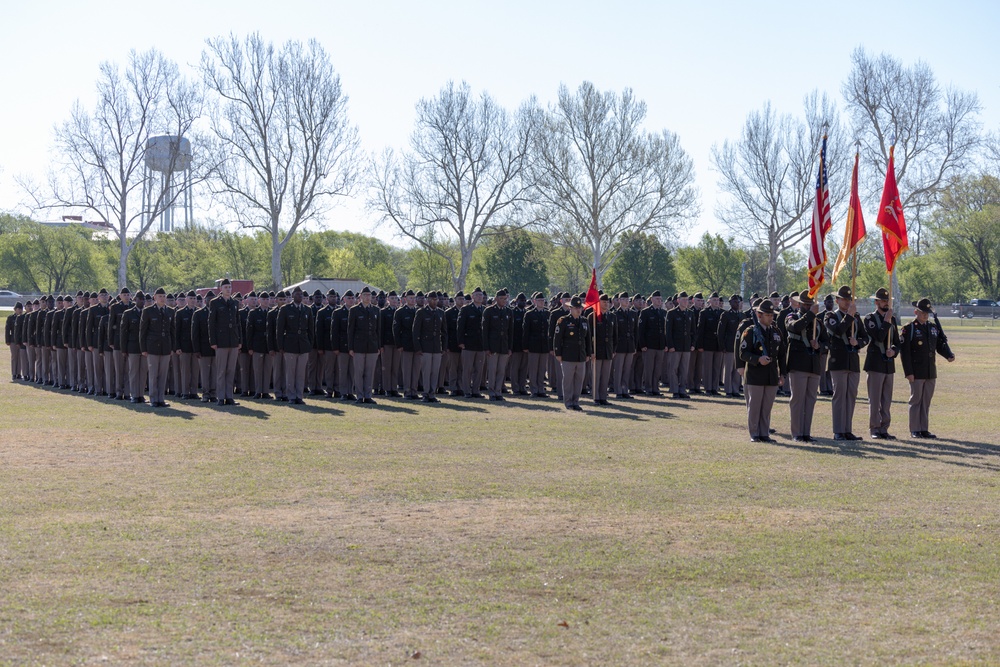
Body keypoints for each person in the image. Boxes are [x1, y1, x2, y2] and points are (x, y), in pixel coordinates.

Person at [900, 298, 956, 439]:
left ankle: (923, 428)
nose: (925, 315)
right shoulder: (909, 328)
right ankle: (914, 429)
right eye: (922, 312)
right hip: (916, 371)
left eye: (927, 313)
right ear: (916, 312)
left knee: (926, 401)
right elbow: (905, 353)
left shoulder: (932, 327)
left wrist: (948, 355)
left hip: (930, 370)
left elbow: (938, 346)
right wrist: (909, 372)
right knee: (916, 400)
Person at [824, 286, 869, 441]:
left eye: (849, 299)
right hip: (838, 361)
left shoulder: (856, 317)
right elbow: (837, 331)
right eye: (844, 299)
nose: (847, 302)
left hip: (853, 362)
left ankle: (847, 429)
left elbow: (865, 337)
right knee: (839, 396)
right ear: (837, 300)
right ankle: (838, 430)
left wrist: (858, 343)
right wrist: (849, 316)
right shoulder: (831, 315)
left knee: (851, 396)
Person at [738, 299, 786, 442]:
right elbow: (743, 353)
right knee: (755, 407)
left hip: (771, 375)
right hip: (755, 375)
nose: (771, 318)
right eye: (768, 315)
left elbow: (782, 354)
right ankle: (754, 433)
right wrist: (758, 359)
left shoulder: (776, 331)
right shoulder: (750, 331)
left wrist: (782, 373)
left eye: (772, 315)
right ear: (759, 315)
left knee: (766, 407)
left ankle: (764, 433)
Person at [784, 292, 827, 442]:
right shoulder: (792, 317)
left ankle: (806, 432)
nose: (808, 307)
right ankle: (796, 433)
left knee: (810, 400)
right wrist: (810, 315)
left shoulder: (818, 322)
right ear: (799, 304)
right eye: (805, 304)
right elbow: (795, 328)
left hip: (814, 364)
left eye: (810, 304)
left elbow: (827, 342)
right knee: (797, 400)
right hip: (798, 363)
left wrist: (819, 345)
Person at [863, 287, 901, 440]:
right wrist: (886, 321)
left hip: (888, 364)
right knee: (875, 398)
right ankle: (874, 428)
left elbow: (897, 342)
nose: (886, 303)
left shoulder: (891, 318)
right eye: (883, 301)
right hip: (875, 363)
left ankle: (884, 428)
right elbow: (878, 337)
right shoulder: (870, 318)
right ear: (876, 302)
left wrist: (894, 351)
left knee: (886, 399)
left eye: (888, 301)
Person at [552, 296, 592, 411]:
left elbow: (588, 339)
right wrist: (558, 353)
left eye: (579, 308)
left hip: (581, 355)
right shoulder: (563, 321)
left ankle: (576, 401)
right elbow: (557, 338)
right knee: (568, 380)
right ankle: (568, 402)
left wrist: (589, 353)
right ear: (570, 308)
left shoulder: (584, 321)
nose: (578, 310)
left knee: (579, 380)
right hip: (568, 356)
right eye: (575, 308)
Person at [276, 286, 314, 404]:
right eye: (297, 294)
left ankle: (299, 396)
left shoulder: (307, 310)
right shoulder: (285, 309)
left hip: (303, 345)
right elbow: (280, 329)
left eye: (301, 294)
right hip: (290, 345)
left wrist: (310, 345)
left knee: (301, 373)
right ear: (292, 296)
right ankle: (291, 396)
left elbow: (311, 330)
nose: (300, 296)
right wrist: (281, 346)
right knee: (291, 372)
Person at [209, 278, 242, 406]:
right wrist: (213, 341)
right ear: (221, 289)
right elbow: (211, 323)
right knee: (221, 371)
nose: (228, 289)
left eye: (229, 287)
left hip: (233, 340)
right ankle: (221, 397)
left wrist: (240, 340)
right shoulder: (215, 303)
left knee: (231, 370)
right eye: (226, 287)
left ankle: (229, 396)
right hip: (221, 341)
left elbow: (237, 322)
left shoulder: (234, 303)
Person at [140, 288, 174, 408]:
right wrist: (143, 348)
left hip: (165, 347)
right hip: (152, 347)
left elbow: (172, 331)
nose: (162, 298)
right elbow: (143, 331)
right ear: (155, 297)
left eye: (164, 296)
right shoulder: (148, 311)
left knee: (163, 374)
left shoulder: (170, 311)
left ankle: (161, 398)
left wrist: (172, 347)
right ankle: (153, 398)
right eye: (160, 296)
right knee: (153, 374)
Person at [347, 286, 381, 404]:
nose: (367, 297)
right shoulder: (354, 310)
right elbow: (350, 330)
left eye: (369, 295)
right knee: (359, 372)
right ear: (360, 297)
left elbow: (378, 330)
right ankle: (359, 396)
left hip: (372, 345)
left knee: (369, 372)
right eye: (365, 295)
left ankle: (368, 396)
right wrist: (350, 347)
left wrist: (378, 346)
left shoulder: (376, 310)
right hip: (358, 346)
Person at [413, 290, 447, 402]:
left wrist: (444, 347)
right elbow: (416, 331)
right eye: (432, 299)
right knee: (426, 371)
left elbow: (444, 332)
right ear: (427, 300)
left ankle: (432, 393)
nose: (434, 301)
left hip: (437, 347)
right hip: (425, 346)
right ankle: (426, 393)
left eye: (436, 299)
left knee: (435, 371)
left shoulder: (441, 313)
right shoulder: (421, 312)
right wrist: (418, 347)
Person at [482, 289, 514, 401]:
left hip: (504, 346)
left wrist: (510, 347)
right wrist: (486, 347)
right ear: (496, 299)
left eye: (505, 299)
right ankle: (491, 392)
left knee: (501, 370)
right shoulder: (489, 311)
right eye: (501, 298)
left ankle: (498, 391)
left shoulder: (508, 312)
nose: (504, 301)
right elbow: (485, 331)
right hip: (493, 346)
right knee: (492, 370)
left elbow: (510, 331)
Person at [665, 291, 696, 399]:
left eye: (687, 299)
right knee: (674, 369)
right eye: (683, 299)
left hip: (686, 346)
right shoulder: (672, 313)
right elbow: (668, 331)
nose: (685, 301)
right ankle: (675, 390)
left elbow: (693, 330)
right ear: (678, 300)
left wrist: (693, 344)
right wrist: (670, 345)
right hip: (675, 346)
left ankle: (682, 390)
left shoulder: (690, 313)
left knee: (684, 369)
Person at [638, 290, 667, 396]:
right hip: (649, 345)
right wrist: (643, 344)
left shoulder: (664, 313)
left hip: (660, 345)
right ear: (651, 299)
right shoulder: (645, 312)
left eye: (660, 299)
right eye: (657, 299)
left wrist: (666, 344)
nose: (659, 301)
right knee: (649, 368)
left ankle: (655, 388)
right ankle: (648, 388)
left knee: (657, 368)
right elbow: (641, 330)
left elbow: (665, 331)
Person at [119, 291, 146, 403]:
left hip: (144, 347)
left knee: (143, 372)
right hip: (133, 346)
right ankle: (134, 394)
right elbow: (123, 332)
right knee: (134, 372)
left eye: (143, 299)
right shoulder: (128, 313)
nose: (142, 301)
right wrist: (124, 349)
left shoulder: (147, 312)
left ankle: (141, 394)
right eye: (140, 299)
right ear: (135, 300)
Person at [522, 292, 550, 397]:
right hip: (533, 345)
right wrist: (525, 346)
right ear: (534, 301)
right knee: (533, 369)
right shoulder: (529, 314)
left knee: (542, 369)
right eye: (539, 300)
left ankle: (541, 389)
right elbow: (526, 332)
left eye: (543, 300)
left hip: (544, 345)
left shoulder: (548, 313)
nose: (541, 302)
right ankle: (534, 389)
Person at [590, 293, 616, 405]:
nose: (606, 304)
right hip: (597, 350)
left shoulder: (612, 316)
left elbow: (615, 335)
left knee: (605, 375)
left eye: (607, 302)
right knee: (596, 375)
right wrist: (591, 351)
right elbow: (588, 335)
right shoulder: (593, 316)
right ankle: (596, 397)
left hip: (608, 350)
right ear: (598, 303)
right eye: (604, 302)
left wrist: (614, 349)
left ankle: (603, 397)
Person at [393, 290, 419, 399]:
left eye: (414, 298)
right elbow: (396, 330)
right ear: (405, 299)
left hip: (417, 346)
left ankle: (414, 391)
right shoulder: (400, 312)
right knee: (407, 370)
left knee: (416, 370)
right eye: (410, 298)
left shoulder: (419, 311)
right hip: (406, 345)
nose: (413, 300)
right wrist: (399, 345)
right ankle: (407, 391)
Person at [6, 302, 23, 381]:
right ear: (15, 309)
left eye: (21, 309)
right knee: (14, 357)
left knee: (20, 357)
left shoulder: (23, 317)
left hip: (21, 340)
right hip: (13, 340)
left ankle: (19, 373)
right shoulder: (11, 318)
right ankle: (14, 373)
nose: (20, 311)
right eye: (18, 309)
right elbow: (7, 330)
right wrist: (7, 340)